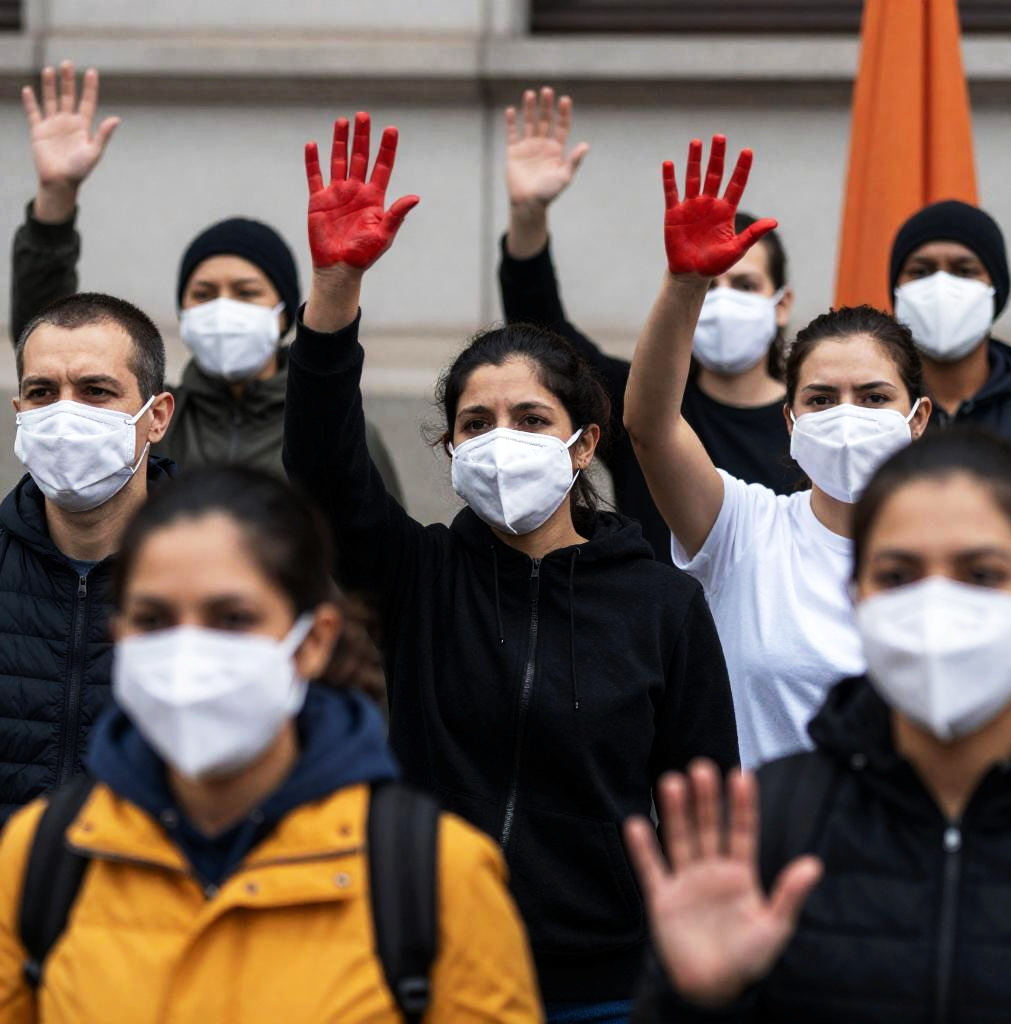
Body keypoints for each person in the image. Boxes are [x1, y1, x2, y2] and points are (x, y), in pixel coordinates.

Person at [283, 112, 739, 1021]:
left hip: (607, 985)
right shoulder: (417, 576)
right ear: (450, 449)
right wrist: (335, 291)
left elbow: (707, 808)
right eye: (476, 423)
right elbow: (323, 464)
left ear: (584, 445)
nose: (502, 440)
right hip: (429, 964)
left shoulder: (661, 604)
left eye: (530, 420)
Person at [0, 465, 542, 1023]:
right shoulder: (42, 857)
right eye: (154, 619)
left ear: (313, 642)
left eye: (233, 618)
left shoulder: (436, 877)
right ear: (120, 636)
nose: (189, 651)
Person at [627, 427, 1011, 1023]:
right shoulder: (774, 819)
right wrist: (702, 1000)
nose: (937, 605)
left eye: (982, 574)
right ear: (855, 595)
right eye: (898, 576)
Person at [623, 135, 932, 767]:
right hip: (763, 830)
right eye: (821, 398)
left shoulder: (966, 555)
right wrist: (685, 286)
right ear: (790, 421)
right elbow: (651, 427)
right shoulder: (745, 529)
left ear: (918, 417)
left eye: (874, 397)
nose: (846, 414)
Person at [10, 60, 402, 493]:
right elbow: (50, 332)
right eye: (204, 292)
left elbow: (374, 532)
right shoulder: (153, 422)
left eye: (246, 292)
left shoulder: (330, 433)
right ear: (183, 311)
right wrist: (56, 197)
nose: (223, 306)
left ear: (282, 312)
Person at [500, 88, 798, 564]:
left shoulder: (814, 420)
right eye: (707, 285)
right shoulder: (641, 404)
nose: (722, 300)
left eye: (745, 285)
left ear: (782, 304)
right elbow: (543, 334)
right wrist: (528, 214)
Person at [0, 291, 174, 822]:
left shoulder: (215, 584)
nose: (65, 414)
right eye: (42, 393)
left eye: (96, 391)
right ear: (19, 412)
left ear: (156, 417)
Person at [891, 199, 1011, 442]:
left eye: (965, 271)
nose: (941, 287)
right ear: (897, 290)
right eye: (921, 271)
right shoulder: (868, 402)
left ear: (995, 288)